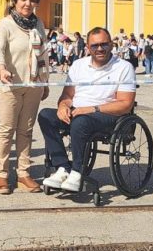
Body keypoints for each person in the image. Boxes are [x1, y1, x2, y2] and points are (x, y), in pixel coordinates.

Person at [39, 27, 136, 192]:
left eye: (104, 44)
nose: (100, 49)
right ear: (88, 47)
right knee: (46, 115)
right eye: (95, 45)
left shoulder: (124, 67)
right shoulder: (78, 65)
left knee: (81, 121)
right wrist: (63, 106)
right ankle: (62, 167)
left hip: (108, 114)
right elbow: (67, 96)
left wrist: (92, 109)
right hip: (78, 112)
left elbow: (125, 104)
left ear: (112, 45)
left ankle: (77, 172)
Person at [0, 0, 49, 194]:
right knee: (6, 131)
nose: (28, 3)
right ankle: (1, 175)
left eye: (32, 0)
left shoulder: (38, 24)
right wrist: (0, 69)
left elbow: (43, 54)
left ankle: (24, 173)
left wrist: (45, 82)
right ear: (14, 1)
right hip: (10, 85)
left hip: (33, 84)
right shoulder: (4, 25)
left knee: (26, 131)